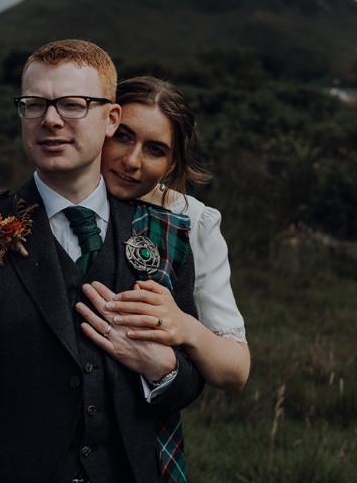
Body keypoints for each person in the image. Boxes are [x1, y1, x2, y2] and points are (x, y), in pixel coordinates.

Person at [0, 40, 204, 483]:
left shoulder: (163, 233)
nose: (51, 120)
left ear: (110, 118)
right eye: (34, 104)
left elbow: (189, 379)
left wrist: (164, 370)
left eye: (73, 105)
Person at [79, 76, 250, 392]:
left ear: (171, 165)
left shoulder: (193, 221)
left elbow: (235, 371)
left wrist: (185, 327)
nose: (132, 161)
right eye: (122, 136)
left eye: (155, 150)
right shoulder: (59, 191)